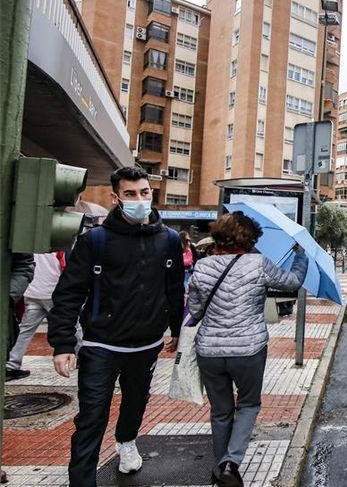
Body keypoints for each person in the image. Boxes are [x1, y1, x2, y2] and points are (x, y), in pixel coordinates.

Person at [48, 166, 185, 487]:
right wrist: (63, 343)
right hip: (101, 346)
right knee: (91, 418)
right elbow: (68, 293)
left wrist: (177, 330)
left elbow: (174, 289)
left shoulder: (169, 240)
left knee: (136, 402)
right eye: (130, 194)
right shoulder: (95, 240)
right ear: (116, 198)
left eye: (145, 193)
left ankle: (126, 442)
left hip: (146, 344)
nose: (140, 200)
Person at [188, 211, 307, 487]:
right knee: (248, 404)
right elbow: (292, 282)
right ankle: (231, 463)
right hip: (248, 350)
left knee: (220, 411)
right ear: (249, 238)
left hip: (210, 351)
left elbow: (194, 309)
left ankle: (221, 469)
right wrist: (300, 257)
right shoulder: (258, 264)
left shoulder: (202, 267)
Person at [6, 252, 66, 380]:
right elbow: (63, 265)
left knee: (25, 330)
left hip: (33, 292)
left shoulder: (31, 244)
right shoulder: (58, 245)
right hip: (52, 292)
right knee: (70, 325)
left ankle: (11, 364)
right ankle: (82, 358)